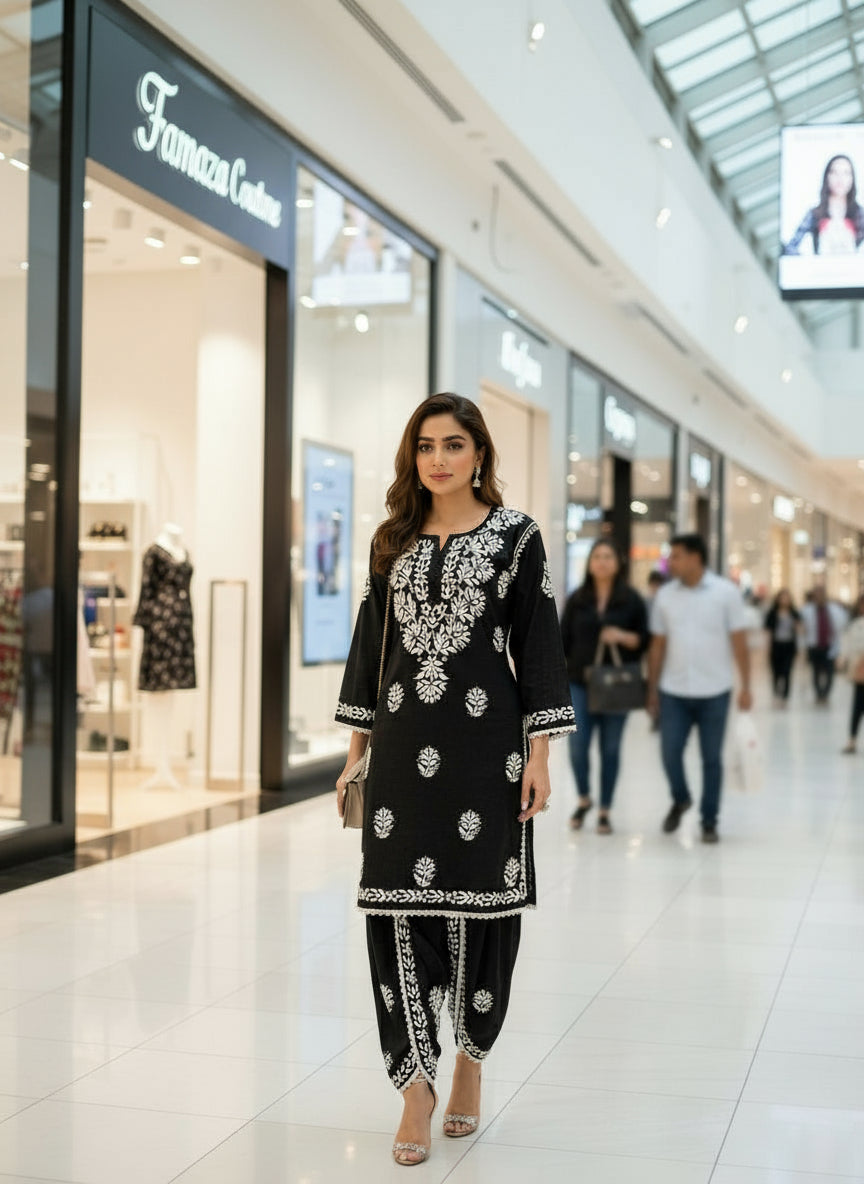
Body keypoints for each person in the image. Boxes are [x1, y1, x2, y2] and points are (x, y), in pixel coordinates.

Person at [334, 392, 575, 1167]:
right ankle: (414, 1088)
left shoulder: (517, 538)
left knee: (485, 911)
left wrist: (539, 756)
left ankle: (470, 1062)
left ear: (480, 454)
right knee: (393, 912)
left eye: (454, 444)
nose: (438, 459)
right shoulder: (391, 540)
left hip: (487, 755)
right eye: (426, 445)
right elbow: (373, 649)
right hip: (403, 757)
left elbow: (538, 647)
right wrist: (354, 754)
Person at [647, 534, 752, 844]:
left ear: (696, 557)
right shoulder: (665, 596)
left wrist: (746, 685)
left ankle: (709, 820)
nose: (671, 562)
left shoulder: (726, 594)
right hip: (674, 690)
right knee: (669, 753)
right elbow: (657, 646)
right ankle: (681, 798)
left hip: (715, 690)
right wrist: (652, 688)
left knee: (711, 759)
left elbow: (740, 643)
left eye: (676, 556)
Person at [559, 538, 648, 834]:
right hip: (580, 682)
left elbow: (643, 640)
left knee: (610, 750)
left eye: (608, 556)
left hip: (616, 684)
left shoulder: (631, 599)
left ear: (618, 562)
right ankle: (584, 799)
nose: (602, 561)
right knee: (578, 747)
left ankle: (605, 809)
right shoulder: (577, 598)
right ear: (589, 563)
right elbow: (562, 640)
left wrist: (622, 637)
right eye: (597, 556)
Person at [782, 154, 864, 256]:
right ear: (827, 176)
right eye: (834, 172)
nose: (840, 178)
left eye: (846, 173)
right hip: (822, 270)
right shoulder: (815, 214)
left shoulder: (859, 214)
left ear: (852, 178)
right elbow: (791, 246)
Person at [800, 587, 847, 704]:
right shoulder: (807, 610)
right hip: (814, 646)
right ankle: (818, 694)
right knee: (815, 671)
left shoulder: (834, 610)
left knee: (830, 671)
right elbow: (802, 629)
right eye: (817, 595)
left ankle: (826, 694)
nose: (820, 597)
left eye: (822, 594)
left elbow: (841, 626)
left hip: (829, 645)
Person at [764, 589, 801, 707]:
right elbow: (768, 632)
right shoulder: (772, 613)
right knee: (776, 672)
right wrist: (768, 648)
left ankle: (785, 696)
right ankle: (776, 694)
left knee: (787, 672)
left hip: (789, 646)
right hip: (776, 646)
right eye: (782, 597)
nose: (785, 600)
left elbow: (801, 629)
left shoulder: (794, 613)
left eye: (787, 597)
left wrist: (797, 627)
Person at [838, 595, 864, 753]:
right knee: (857, 707)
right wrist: (843, 659)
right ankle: (852, 739)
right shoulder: (855, 625)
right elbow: (848, 645)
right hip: (859, 672)